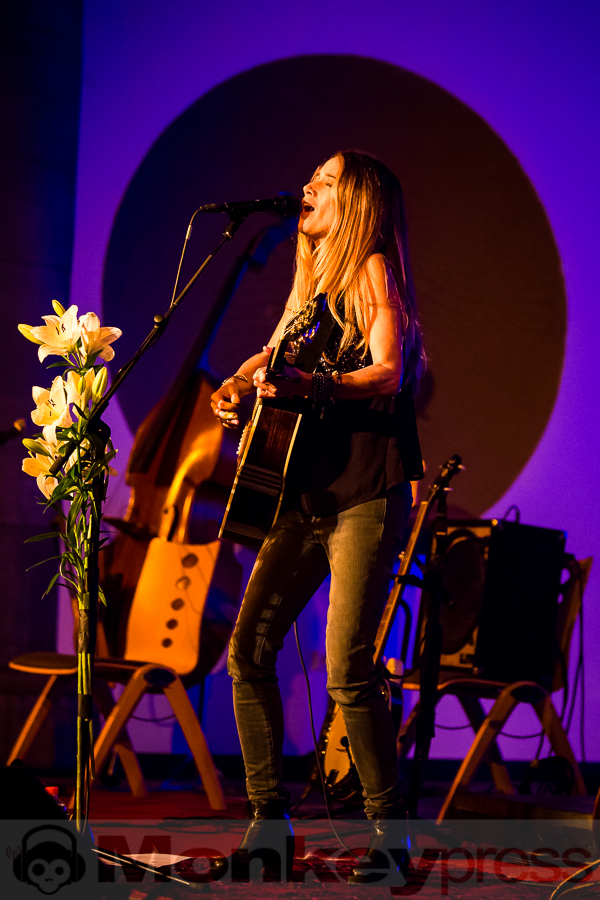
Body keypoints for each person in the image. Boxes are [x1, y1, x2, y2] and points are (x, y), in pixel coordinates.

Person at [210, 150, 425, 882]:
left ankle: (390, 837)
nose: (306, 186)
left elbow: (390, 369)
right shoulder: (311, 286)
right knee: (249, 651)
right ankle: (268, 824)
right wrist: (238, 384)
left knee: (348, 671)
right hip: (301, 497)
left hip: (364, 492)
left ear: (356, 202)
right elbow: (268, 355)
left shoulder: (370, 269)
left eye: (325, 182)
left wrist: (315, 385)